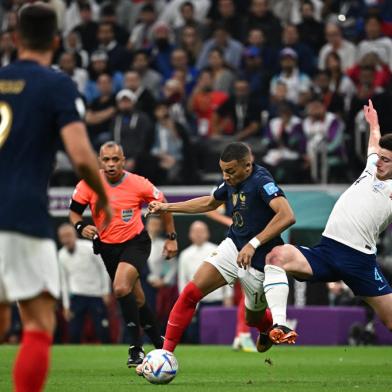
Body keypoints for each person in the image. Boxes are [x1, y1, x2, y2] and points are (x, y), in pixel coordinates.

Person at [0, 4, 111, 392]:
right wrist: (104, 199)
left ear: (14, 39)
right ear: (56, 41)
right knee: (36, 324)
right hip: (20, 215)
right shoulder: (55, 84)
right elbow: (82, 157)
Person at [145, 142, 296, 358]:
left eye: (230, 171)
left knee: (252, 317)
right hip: (234, 245)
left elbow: (287, 215)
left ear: (247, 165)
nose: (225, 176)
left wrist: (253, 244)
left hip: (261, 256)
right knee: (190, 293)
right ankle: (165, 355)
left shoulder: (262, 182)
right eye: (223, 171)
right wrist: (167, 207)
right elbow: (209, 203)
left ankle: (266, 326)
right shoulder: (231, 179)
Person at [264, 100, 392, 344]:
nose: (379, 162)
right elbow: (374, 144)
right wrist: (373, 123)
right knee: (276, 256)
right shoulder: (371, 168)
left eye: (386, 160)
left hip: (359, 261)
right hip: (328, 250)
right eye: (380, 158)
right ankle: (279, 324)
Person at [69, 141, 178, 367]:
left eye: (115, 159)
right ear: (99, 161)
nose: (110, 164)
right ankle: (160, 343)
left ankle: (135, 347)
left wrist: (171, 238)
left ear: (123, 160)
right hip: (108, 248)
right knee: (136, 297)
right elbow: (74, 214)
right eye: (106, 160)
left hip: (136, 243)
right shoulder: (88, 183)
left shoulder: (138, 183)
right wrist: (81, 227)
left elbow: (164, 204)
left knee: (120, 288)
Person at [58, 223, 111, 344]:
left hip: (96, 294)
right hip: (77, 296)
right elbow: (64, 281)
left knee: (102, 329)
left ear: (75, 235)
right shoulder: (61, 255)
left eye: (68, 235)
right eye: (63, 237)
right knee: (74, 331)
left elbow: (104, 268)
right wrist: (66, 305)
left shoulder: (89, 247)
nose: (66, 239)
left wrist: (106, 291)